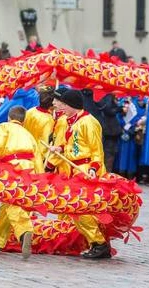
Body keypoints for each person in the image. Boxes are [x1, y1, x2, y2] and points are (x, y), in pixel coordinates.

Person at [46, 89, 111, 259]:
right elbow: (68, 144)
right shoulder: (67, 121)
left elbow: (97, 150)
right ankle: (90, 242)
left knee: (80, 209)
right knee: (74, 210)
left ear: (73, 106)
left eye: (64, 104)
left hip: (86, 171)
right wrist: (58, 149)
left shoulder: (89, 122)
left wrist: (93, 169)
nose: (60, 106)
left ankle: (99, 243)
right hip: (72, 171)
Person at [0, 106, 42, 260]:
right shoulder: (29, 135)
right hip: (29, 169)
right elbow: (37, 159)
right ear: (23, 121)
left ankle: (24, 230)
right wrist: (38, 180)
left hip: (11, 167)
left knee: (11, 202)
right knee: (8, 203)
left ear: (9, 117)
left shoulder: (3, 127)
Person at [22, 87, 55, 160]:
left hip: (24, 146)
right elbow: (45, 141)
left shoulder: (31, 111)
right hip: (35, 152)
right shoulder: (49, 120)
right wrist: (42, 158)